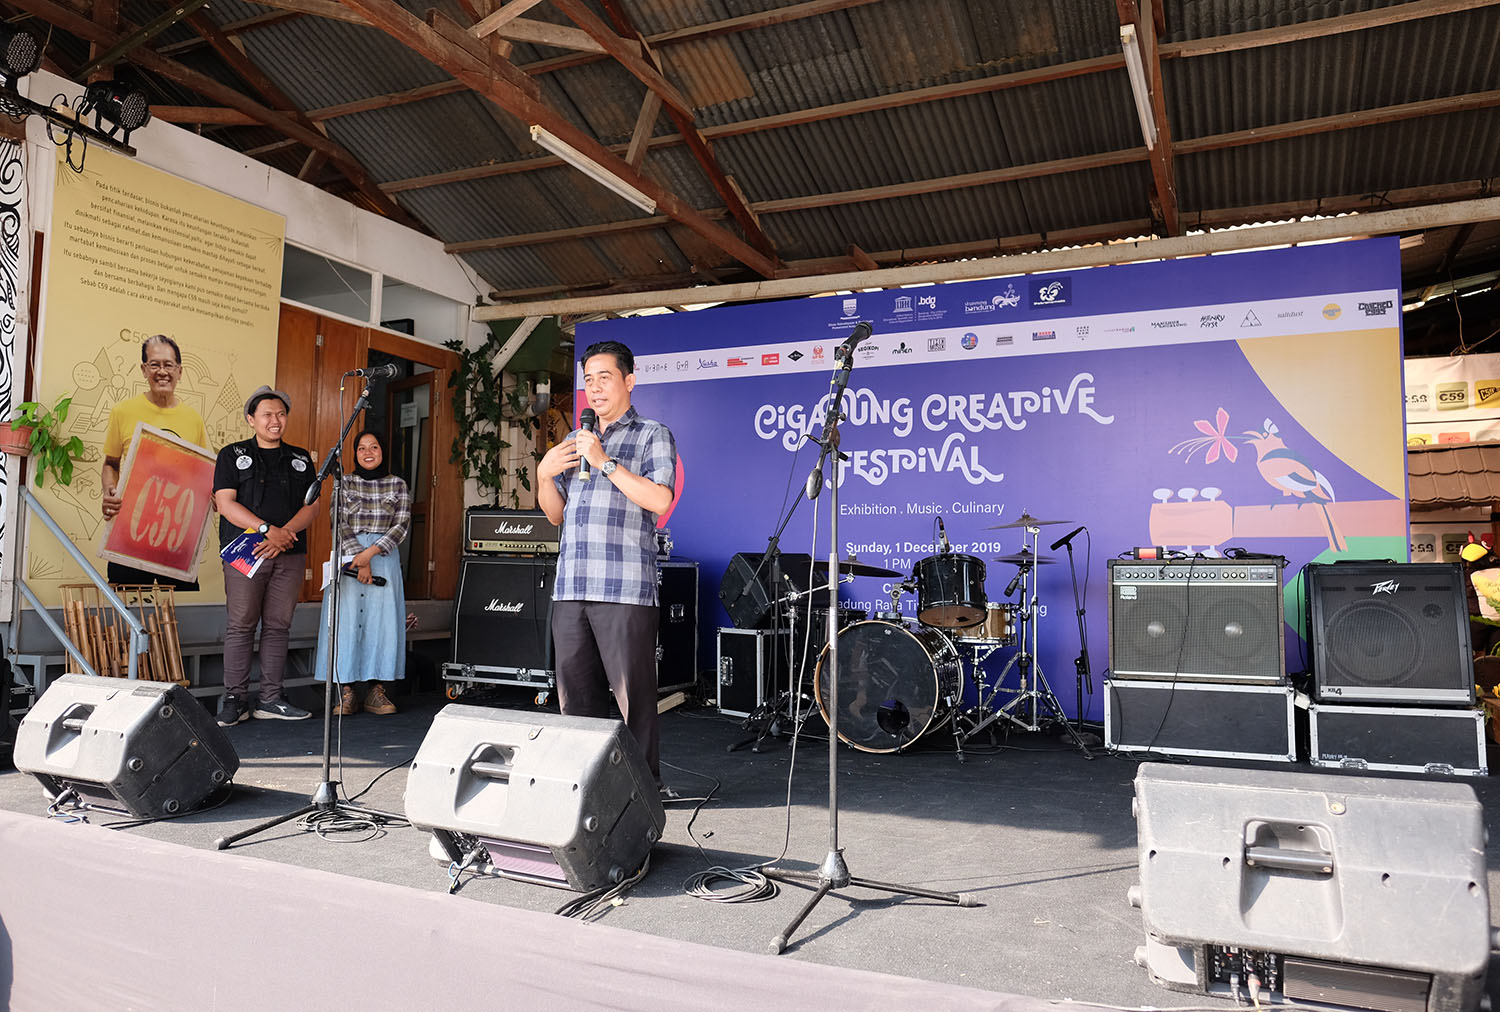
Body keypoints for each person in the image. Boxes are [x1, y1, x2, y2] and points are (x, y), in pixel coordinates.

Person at [538, 340, 676, 790]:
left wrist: (605, 462)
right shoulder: (572, 441)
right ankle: (587, 789)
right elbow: (555, 514)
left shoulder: (652, 434)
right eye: (589, 380)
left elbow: (660, 499)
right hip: (571, 587)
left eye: (605, 378)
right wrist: (543, 475)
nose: (595, 388)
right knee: (576, 701)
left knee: (633, 702)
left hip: (624, 587)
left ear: (628, 381)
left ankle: (642, 793)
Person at [211, 386, 319, 726]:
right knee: (241, 625)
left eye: (281, 414)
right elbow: (225, 503)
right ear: (251, 419)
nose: (276, 421)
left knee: (278, 625)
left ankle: (271, 699)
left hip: (289, 551)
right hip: (246, 549)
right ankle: (235, 700)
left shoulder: (300, 457)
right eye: (268, 415)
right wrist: (266, 530)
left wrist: (283, 535)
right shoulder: (232, 454)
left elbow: (312, 506)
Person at [100, 335, 208, 591]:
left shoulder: (193, 419)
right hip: (130, 533)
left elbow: (204, 473)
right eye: (154, 364)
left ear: (179, 371)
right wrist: (109, 490)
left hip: (176, 538)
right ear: (143, 369)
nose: (162, 371)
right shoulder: (123, 411)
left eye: (168, 365)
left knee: (180, 609)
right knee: (130, 607)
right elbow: (111, 463)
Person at [314, 429, 410, 715]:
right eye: (362, 448)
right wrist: (360, 558)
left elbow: (401, 525)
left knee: (382, 624)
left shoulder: (397, 484)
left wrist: (370, 554)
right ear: (355, 454)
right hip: (348, 556)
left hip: (384, 557)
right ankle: (346, 692)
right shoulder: (344, 483)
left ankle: (377, 691)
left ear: (383, 451)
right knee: (345, 623)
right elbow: (338, 522)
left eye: (374, 447)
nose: (368, 453)